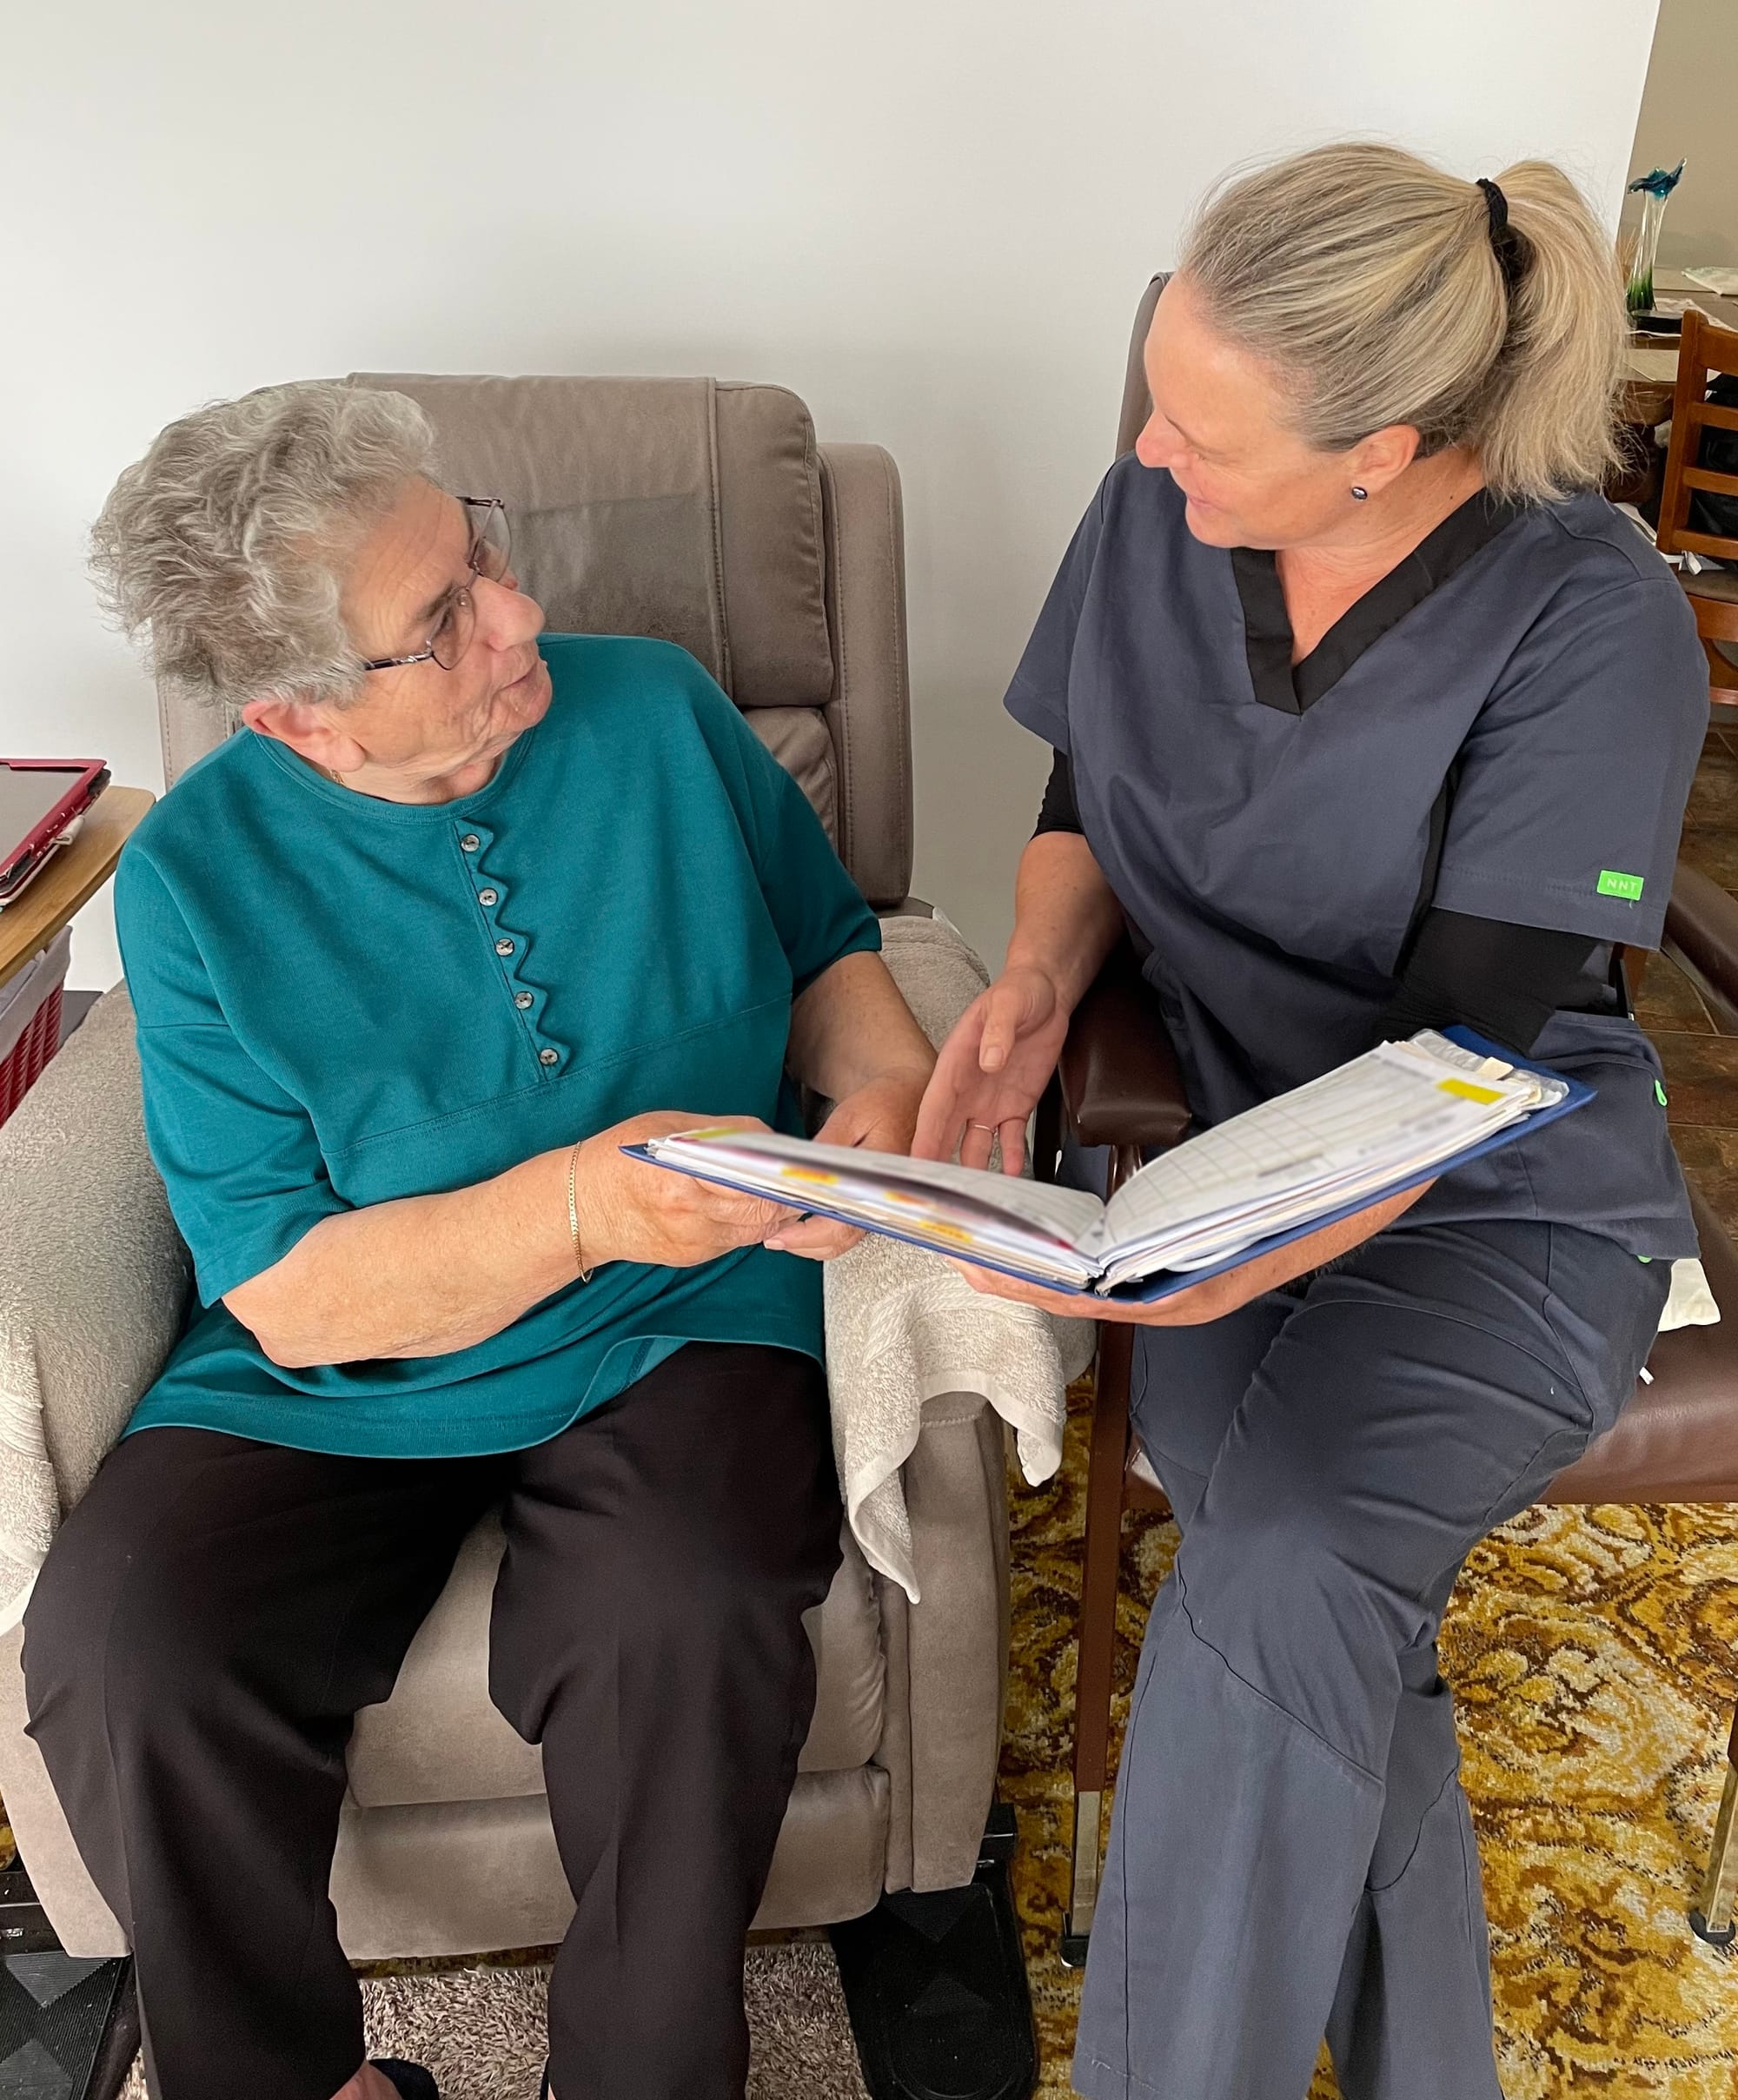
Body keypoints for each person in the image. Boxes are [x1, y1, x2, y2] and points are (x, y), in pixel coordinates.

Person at [23, 381, 938, 2100]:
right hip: (344, 1363)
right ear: (298, 720)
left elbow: (827, 947)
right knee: (124, 1638)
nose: (515, 615)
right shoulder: (197, 877)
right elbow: (289, 1285)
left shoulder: (656, 712)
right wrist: (579, 1200)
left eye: (481, 556)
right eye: (441, 621)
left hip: (689, 1306)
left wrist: (882, 1094)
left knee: (687, 1610)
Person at [915, 143, 1708, 2100]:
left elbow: (1457, 1059)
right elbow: (1084, 791)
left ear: (1386, 445)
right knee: (1318, 1613)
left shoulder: (1587, 620)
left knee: (1274, 1573)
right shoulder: (1152, 513)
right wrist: (1025, 994)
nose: (1150, 456)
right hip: (1214, 1154)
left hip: (1492, 1197)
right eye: (1159, 396)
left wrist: (1221, 1256)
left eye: (1203, 430)